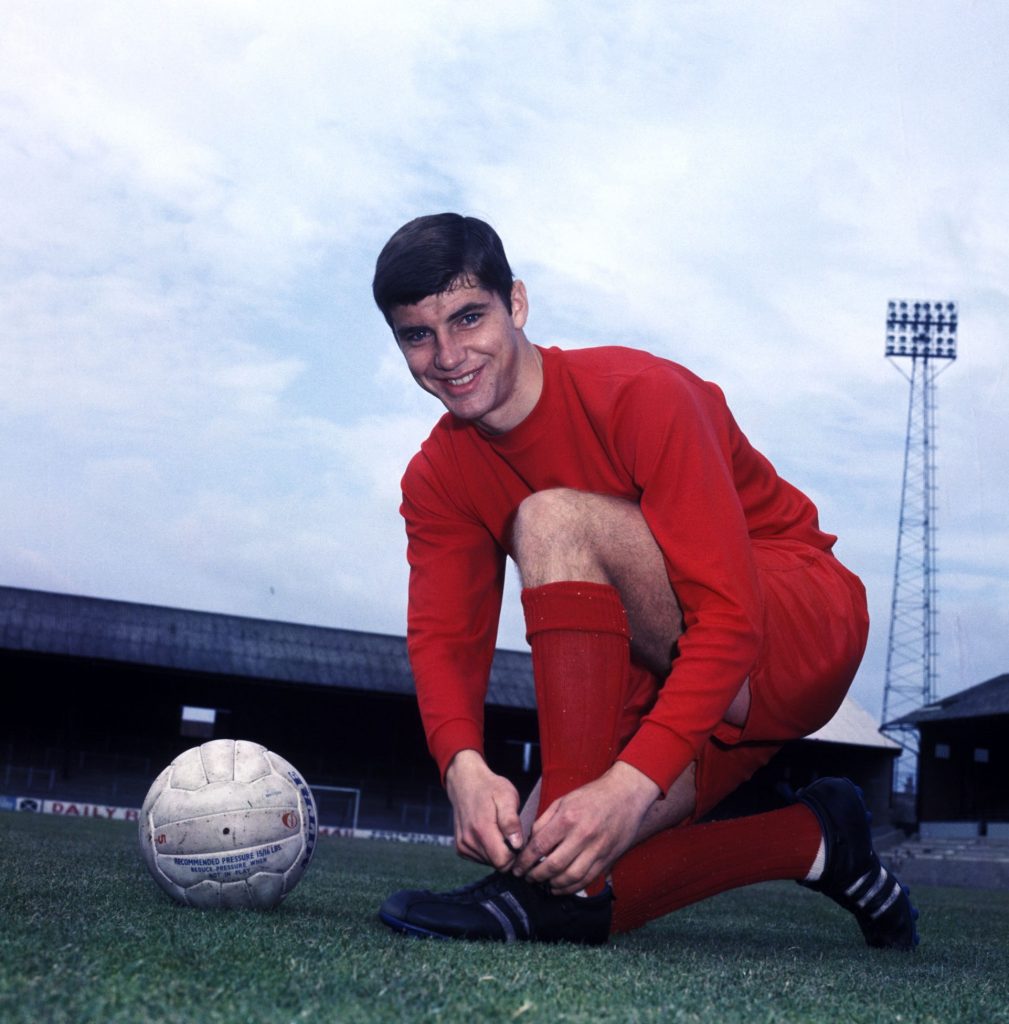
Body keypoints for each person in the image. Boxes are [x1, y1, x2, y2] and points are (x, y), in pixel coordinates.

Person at [370, 212, 919, 950]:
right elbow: (445, 637)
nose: (447, 354)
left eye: (468, 317)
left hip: (785, 618)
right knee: (555, 860)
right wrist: (462, 766)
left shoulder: (640, 392)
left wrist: (629, 787)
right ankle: (819, 839)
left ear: (517, 304)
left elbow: (727, 618)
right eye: (418, 335)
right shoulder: (437, 477)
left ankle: (561, 879)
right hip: (656, 654)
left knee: (552, 520)